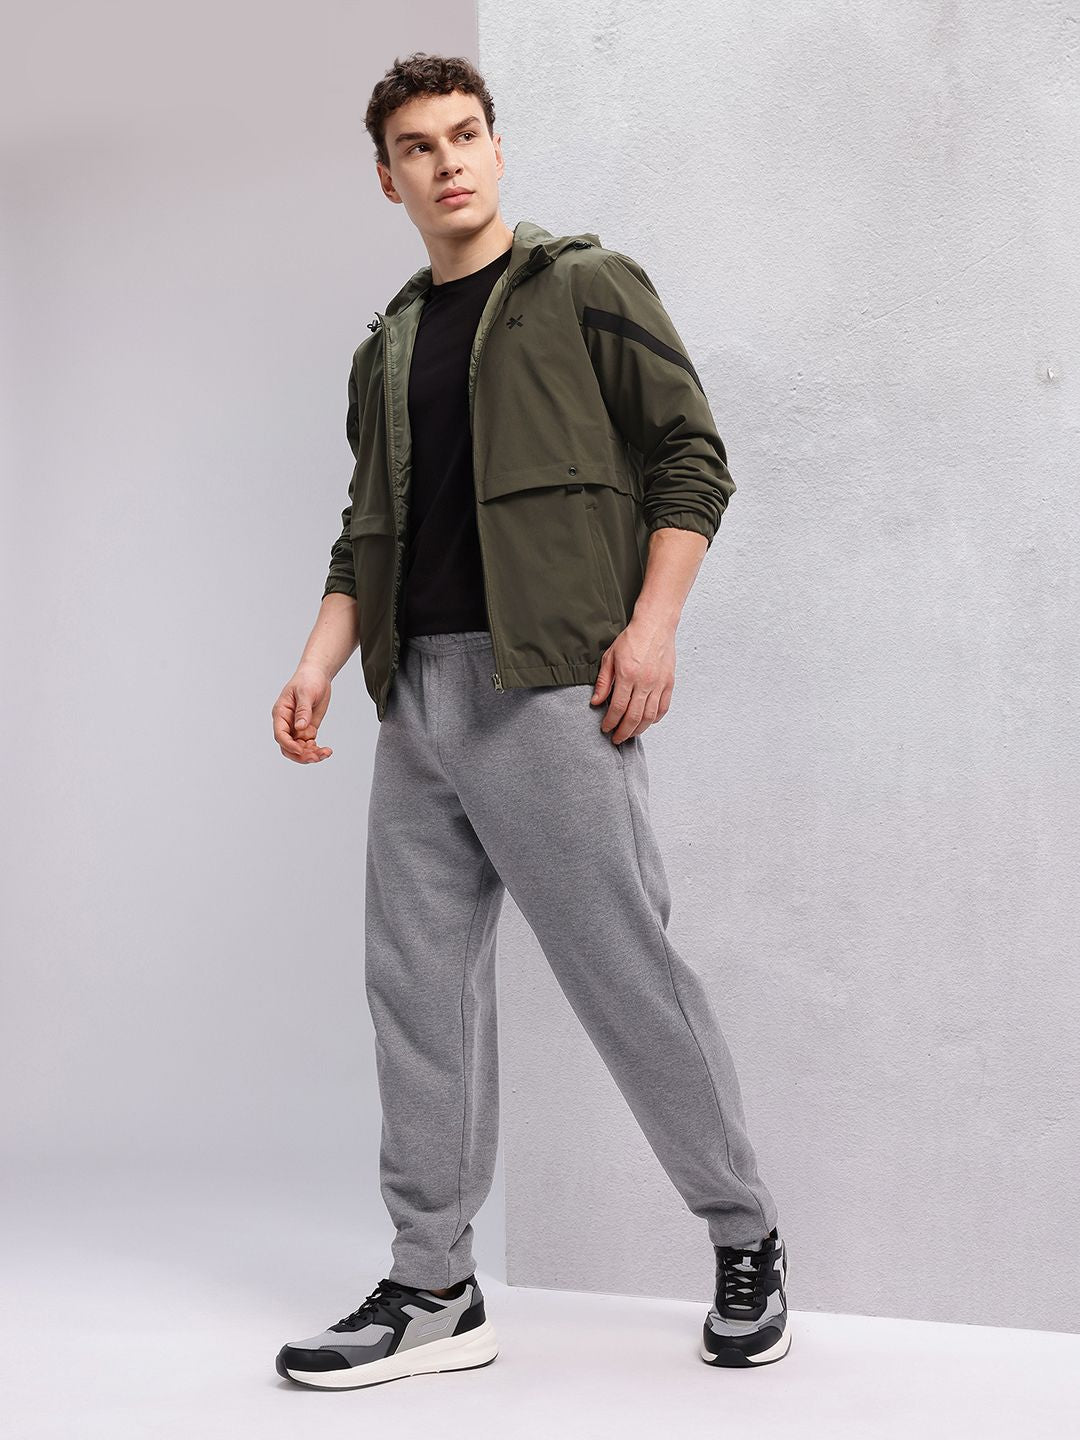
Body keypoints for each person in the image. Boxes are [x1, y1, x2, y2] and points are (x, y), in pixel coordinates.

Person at [270, 51, 790, 1389]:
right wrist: (320, 663)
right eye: (419, 146)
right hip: (416, 700)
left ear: (496, 148)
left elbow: (692, 456)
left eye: (466, 134)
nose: (447, 160)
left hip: (548, 689)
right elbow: (363, 532)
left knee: (625, 976)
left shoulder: (585, 286)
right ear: (386, 178)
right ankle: (434, 1285)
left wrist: (652, 627)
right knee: (416, 996)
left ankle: (745, 1237)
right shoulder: (385, 346)